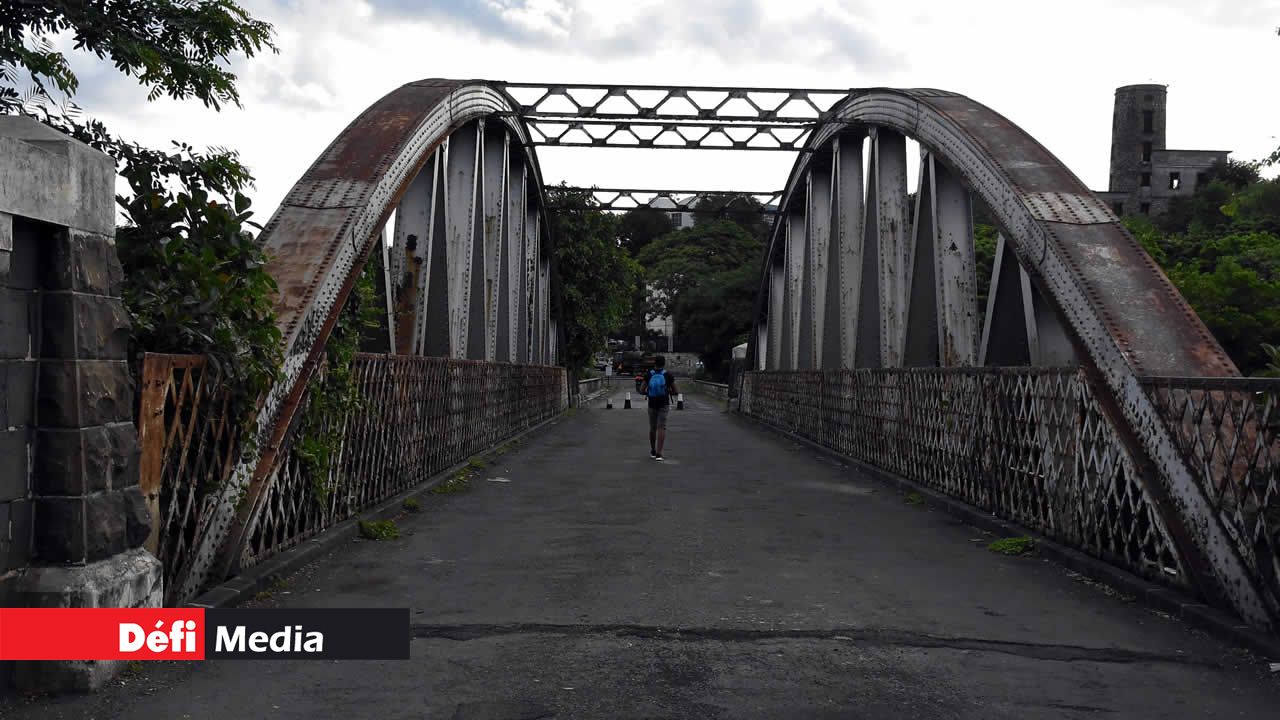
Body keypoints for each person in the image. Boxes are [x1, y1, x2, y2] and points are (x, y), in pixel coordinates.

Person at [641, 355, 677, 460]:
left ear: (654, 363)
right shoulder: (668, 375)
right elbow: (676, 391)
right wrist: (668, 391)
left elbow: (641, 390)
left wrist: (648, 392)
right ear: (664, 363)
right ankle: (659, 453)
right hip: (664, 403)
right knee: (661, 427)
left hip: (652, 403)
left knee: (653, 428)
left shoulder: (649, 374)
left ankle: (652, 450)